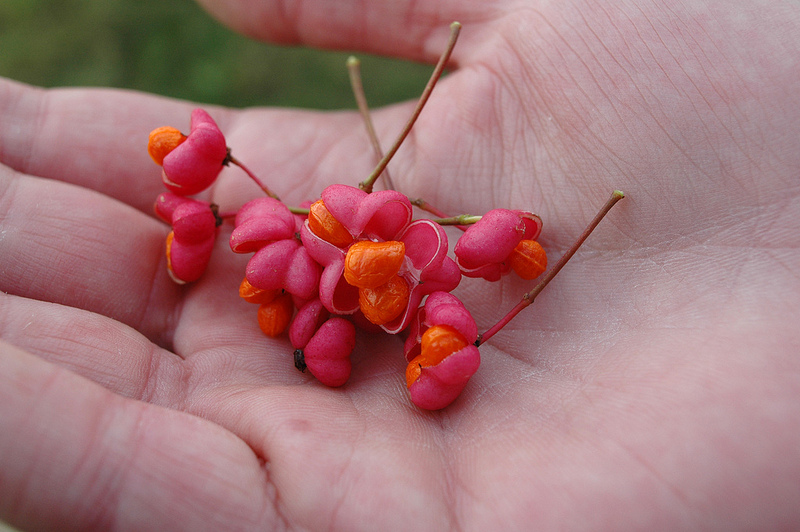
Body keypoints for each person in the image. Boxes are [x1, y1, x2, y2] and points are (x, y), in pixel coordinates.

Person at [1, 0, 799, 529]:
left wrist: (402, 302)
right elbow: (327, 271)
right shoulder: (364, 267)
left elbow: (385, 276)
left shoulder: (411, 274)